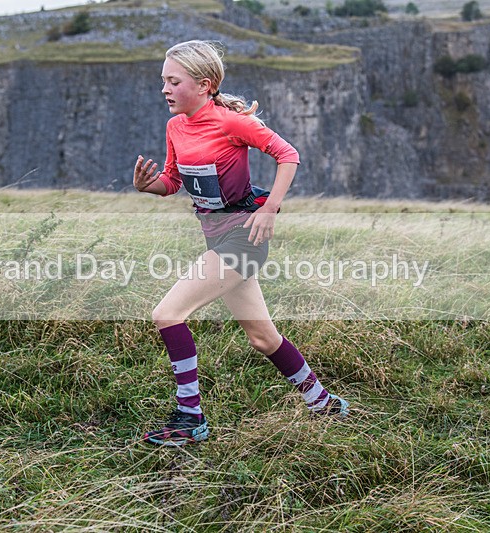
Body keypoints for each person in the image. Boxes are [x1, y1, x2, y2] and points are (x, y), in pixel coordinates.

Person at [134, 40, 349, 447]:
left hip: (243, 239)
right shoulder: (175, 127)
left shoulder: (231, 123)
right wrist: (151, 187)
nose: (164, 89)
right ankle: (322, 402)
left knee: (167, 313)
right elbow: (173, 181)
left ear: (205, 84)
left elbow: (288, 154)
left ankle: (190, 417)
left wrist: (270, 210)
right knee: (263, 338)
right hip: (217, 238)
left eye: (173, 81)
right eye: (163, 80)